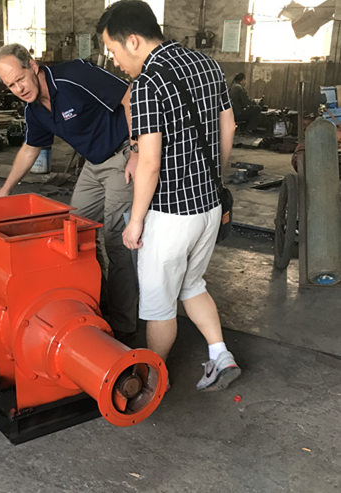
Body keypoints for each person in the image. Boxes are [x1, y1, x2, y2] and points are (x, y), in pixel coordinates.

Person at [97, 0, 241, 391]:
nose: (115, 61)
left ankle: (149, 381)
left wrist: (136, 221)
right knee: (192, 284)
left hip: (171, 214)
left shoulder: (147, 83)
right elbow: (228, 127)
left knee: (159, 306)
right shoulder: (207, 64)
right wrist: (212, 176)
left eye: (112, 50)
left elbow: (149, 162)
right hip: (210, 207)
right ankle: (220, 355)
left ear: (132, 40)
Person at [0, 43, 138, 343]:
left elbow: (130, 95)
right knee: (74, 233)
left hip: (122, 156)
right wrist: (5, 189)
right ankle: (98, 305)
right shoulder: (34, 110)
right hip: (93, 164)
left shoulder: (75, 75)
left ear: (33, 66)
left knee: (116, 241)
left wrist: (137, 149)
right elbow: (30, 148)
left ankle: (124, 325)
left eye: (20, 79)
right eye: (11, 86)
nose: (19, 89)